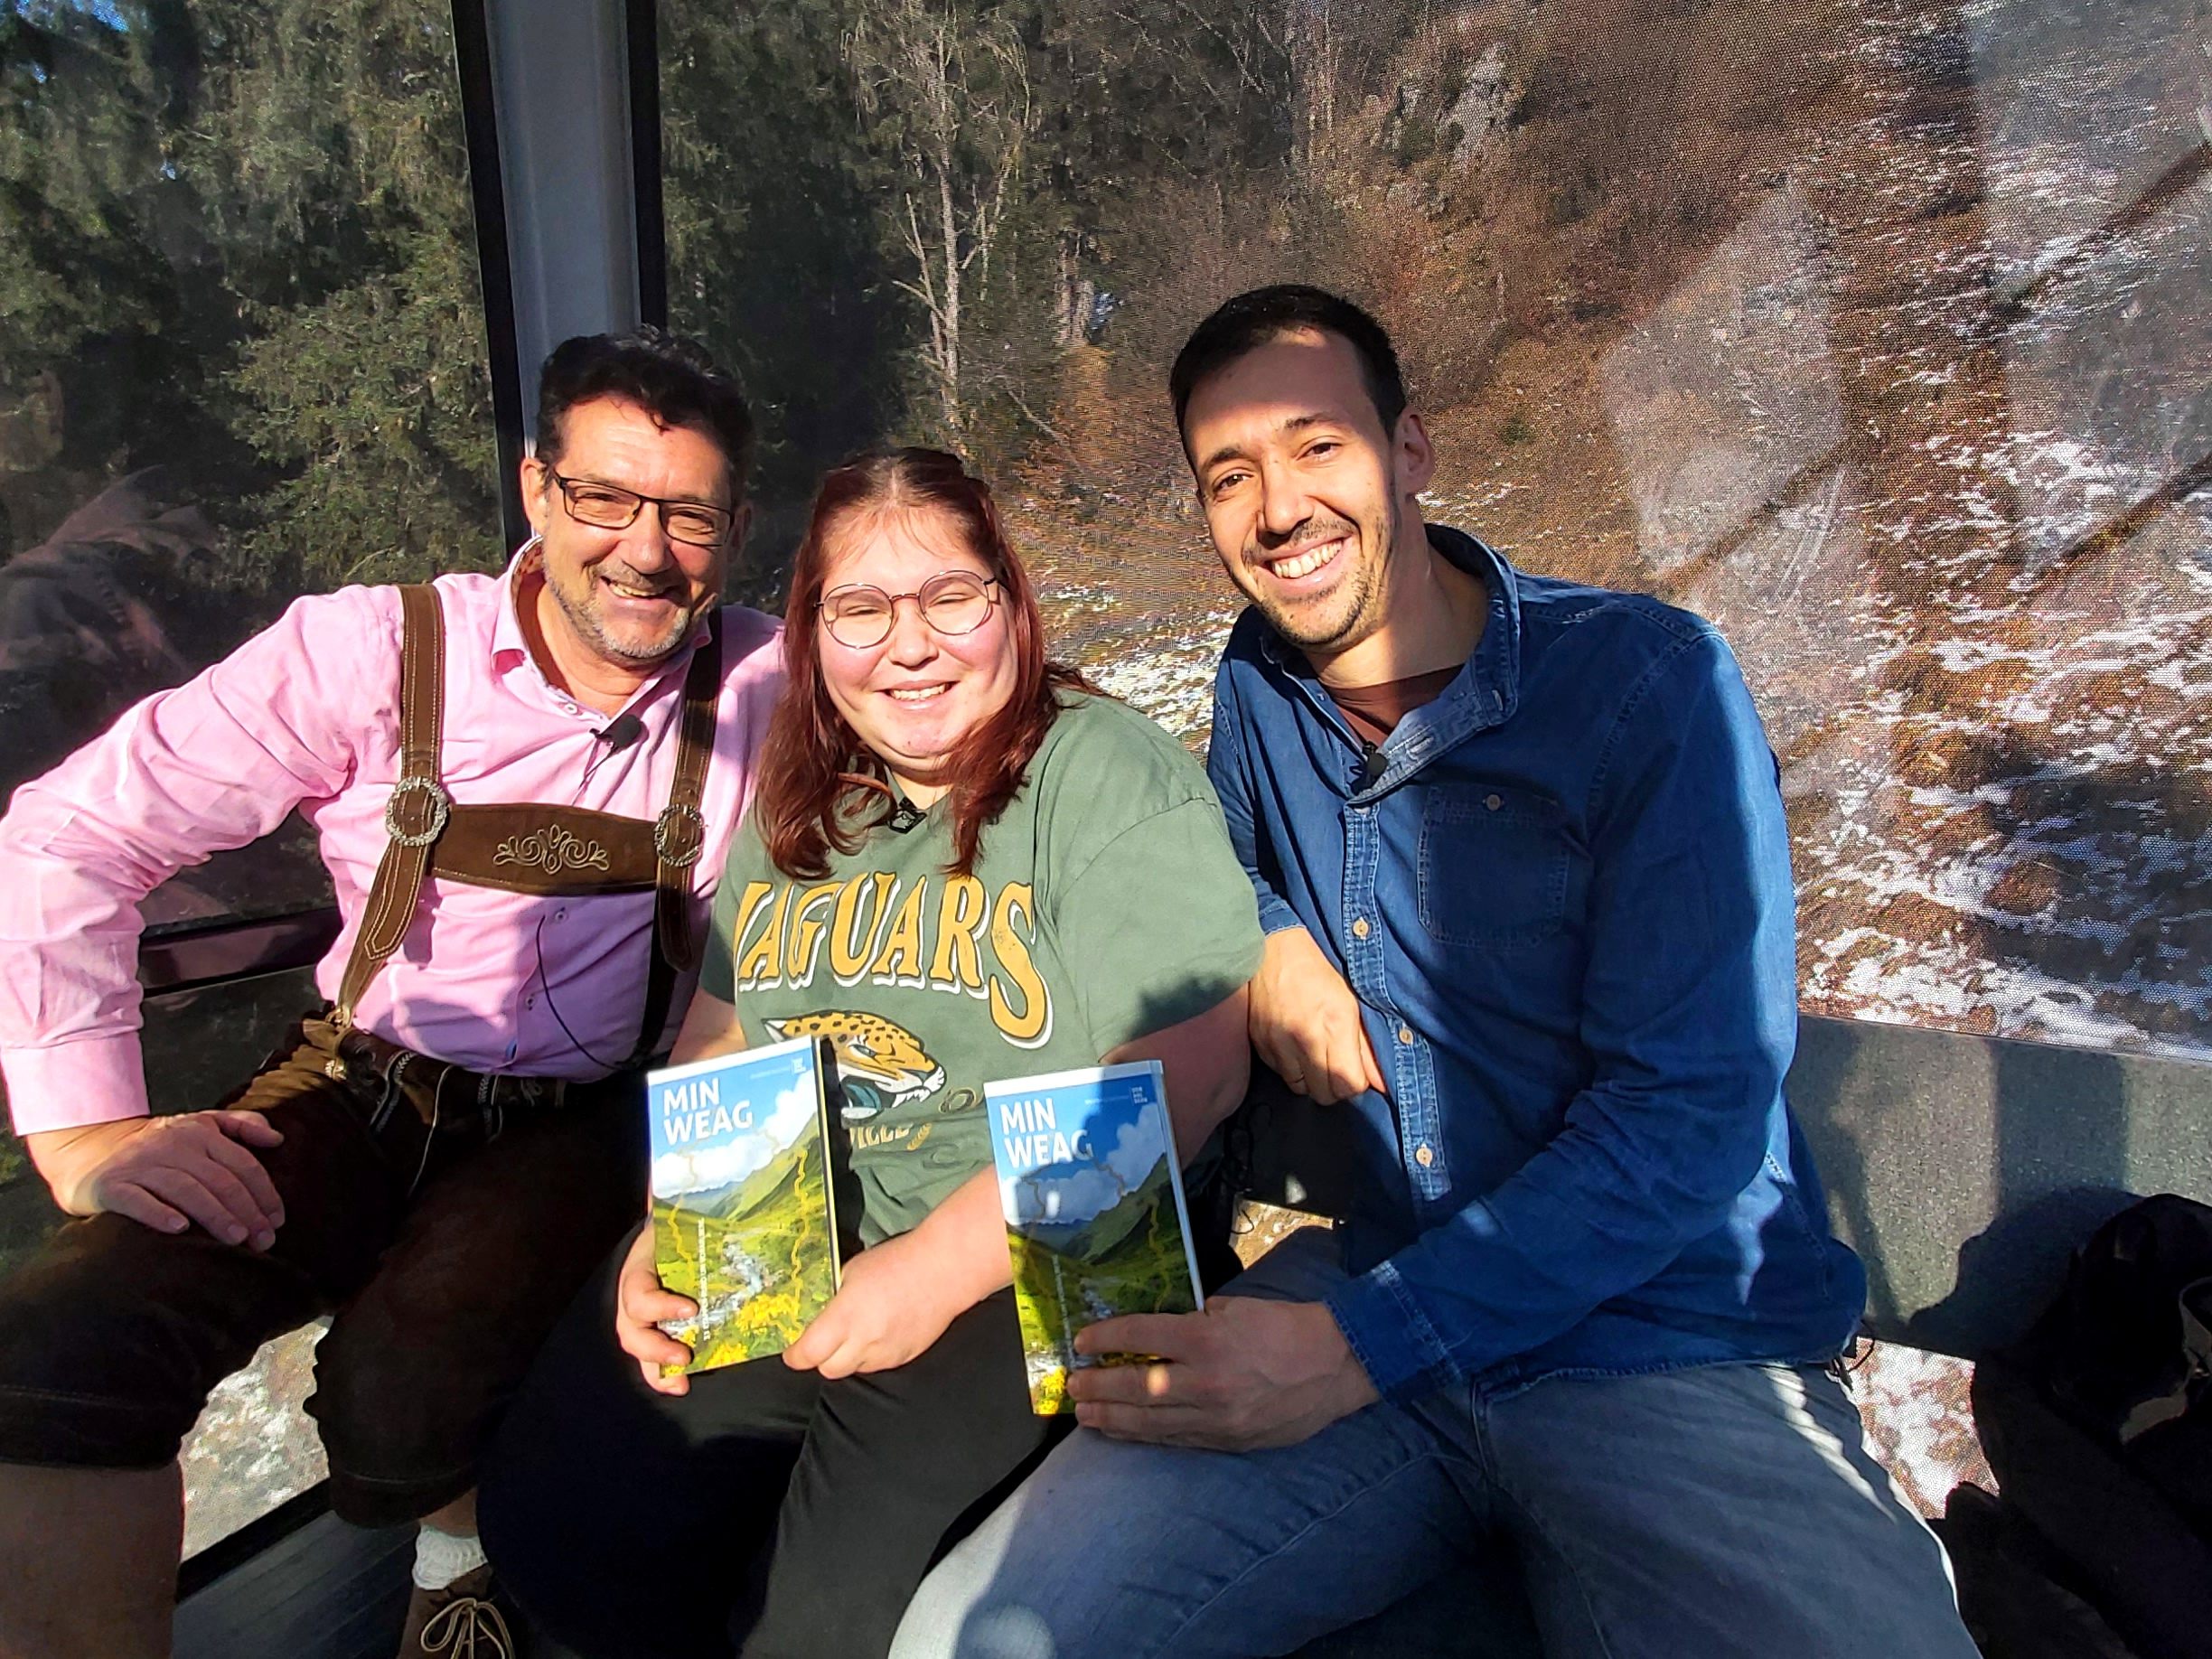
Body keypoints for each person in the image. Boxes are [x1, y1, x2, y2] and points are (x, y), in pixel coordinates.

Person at [892, 287, 1982, 1658]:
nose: (1278, 509)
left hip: (1665, 1343)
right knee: (968, 1637)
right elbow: (1220, 848)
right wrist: (1272, 938)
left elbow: (1688, 1118)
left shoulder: (1646, 692)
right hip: (1380, 1298)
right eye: (1231, 477)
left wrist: (1358, 1347)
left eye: (1317, 448)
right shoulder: (1260, 689)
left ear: (1410, 452)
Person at [0, 329, 786, 1659]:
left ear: (735, 525)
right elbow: (68, 838)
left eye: (689, 514)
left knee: (399, 1388)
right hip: (359, 1079)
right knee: (59, 1352)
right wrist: (83, 1131)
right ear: (537, 491)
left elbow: (968, 708)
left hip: (586, 1109)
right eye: (603, 498)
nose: (645, 550)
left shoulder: (777, 682)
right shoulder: (369, 652)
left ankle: (454, 1558)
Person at [478, 446, 1264, 1659]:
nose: (911, 646)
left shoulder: (1096, 774)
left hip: (1051, 1259)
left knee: (820, 1629)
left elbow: (1194, 1064)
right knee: (563, 1519)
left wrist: (933, 1274)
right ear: (811, 632)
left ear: (1009, 598)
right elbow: (726, 1026)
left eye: (952, 596)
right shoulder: (808, 799)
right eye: (860, 609)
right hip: (819, 1227)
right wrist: (674, 1231)